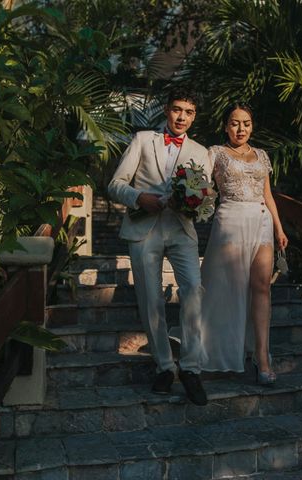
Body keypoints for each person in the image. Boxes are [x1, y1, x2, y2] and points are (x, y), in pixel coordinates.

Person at [107, 89, 213, 405]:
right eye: (177, 110)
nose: (182, 117)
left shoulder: (200, 150)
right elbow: (114, 185)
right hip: (144, 228)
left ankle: (191, 368)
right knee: (151, 299)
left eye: (189, 112)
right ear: (167, 111)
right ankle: (165, 366)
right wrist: (139, 198)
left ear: (195, 117)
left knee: (193, 289)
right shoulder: (142, 140)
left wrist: (193, 203)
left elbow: (204, 194)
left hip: (181, 229)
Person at [200, 103, 288, 384]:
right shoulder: (215, 153)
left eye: (247, 123)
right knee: (231, 288)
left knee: (262, 287)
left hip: (261, 220)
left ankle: (262, 358)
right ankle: (220, 351)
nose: (241, 129)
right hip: (230, 219)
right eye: (235, 123)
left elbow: (268, 194)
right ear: (226, 126)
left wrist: (278, 227)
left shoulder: (261, 155)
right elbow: (199, 186)